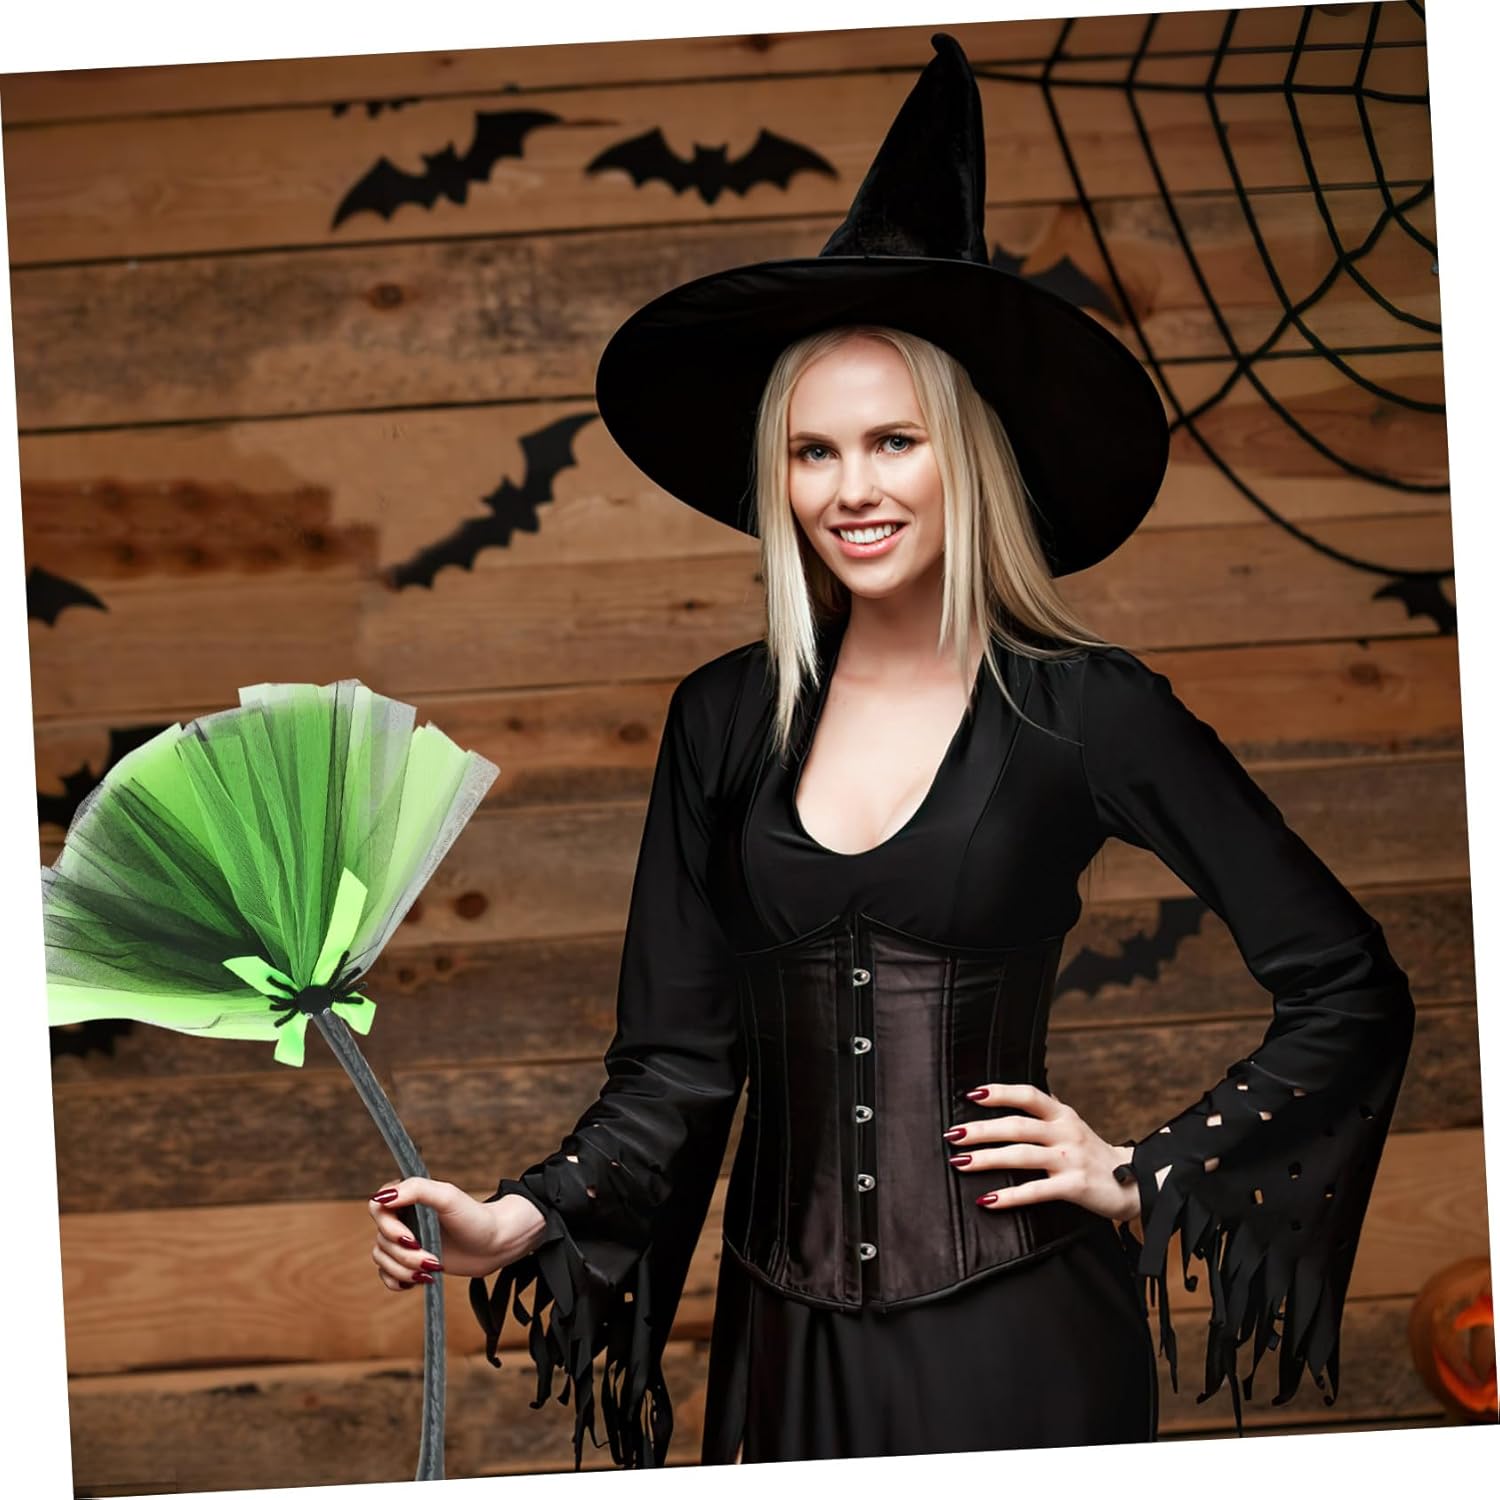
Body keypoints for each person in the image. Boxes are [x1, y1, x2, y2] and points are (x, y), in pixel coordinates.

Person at [365, 33, 1416, 1470]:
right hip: (780, 1342)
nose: (850, 490)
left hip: (1025, 1340)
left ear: (965, 453)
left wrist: (1139, 1169)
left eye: (893, 442)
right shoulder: (723, 719)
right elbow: (676, 1064)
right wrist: (518, 1217)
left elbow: (1348, 987)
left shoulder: (1086, 708)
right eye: (814, 452)